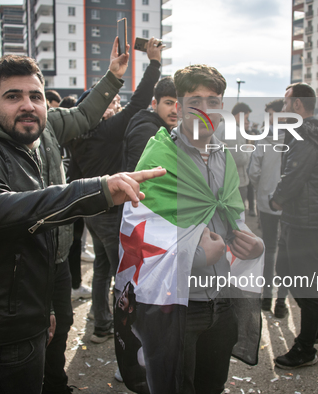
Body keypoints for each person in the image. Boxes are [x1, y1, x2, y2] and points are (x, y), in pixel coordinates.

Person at [0, 44, 166, 393]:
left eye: (36, 95)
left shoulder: (28, 137)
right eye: (13, 96)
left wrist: (42, 304)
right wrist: (96, 190)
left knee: (50, 360)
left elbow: (84, 114)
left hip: (31, 293)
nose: (28, 105)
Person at [116, 64, 264, 393]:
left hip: (221, 300)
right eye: (194, 100)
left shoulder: (224, 156)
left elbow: (230, 215)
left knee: (212, 385)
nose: (205, 109)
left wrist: (252, 243)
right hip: (178, 306)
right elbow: (138, 231)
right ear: (179, 107)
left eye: (213, 101)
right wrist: (195, 254)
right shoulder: (158, 156)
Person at [67, 37, 164, 344]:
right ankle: (125, 334)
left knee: (101, 268)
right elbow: (138, 103)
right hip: (110, 212)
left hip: (94, 212)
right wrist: (154, 64)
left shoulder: (80, 137)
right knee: (123, 275)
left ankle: (101, 324)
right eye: (109, 103)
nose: (116, 106)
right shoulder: (105, 133)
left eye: (115, 103)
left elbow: (73, 176)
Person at [270, 82, 318, 369]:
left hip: (309, 220)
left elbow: (294, 175)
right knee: (286, 272)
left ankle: (306, 348)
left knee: (304, 280)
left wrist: (275, 200)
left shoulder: (305, 135)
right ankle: (315, 329)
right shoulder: (310, 132)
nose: (283, 107)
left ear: (298, 106)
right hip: (301, 216)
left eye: (286, 102)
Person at [247, 98, 288, 313]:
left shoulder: (265, 138)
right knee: (285, 250)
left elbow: (254, 171)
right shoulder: (295, 138)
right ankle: (281, 302)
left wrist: (261, 187)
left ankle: (266, 297)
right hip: (289, 202)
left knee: (270, 248)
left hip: (266, 201)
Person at [121, 76, 177, 172]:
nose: (175, 110)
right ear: (154, 104)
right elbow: (139, 175)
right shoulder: (147, 131)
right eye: (169, 103)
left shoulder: (160, 128)